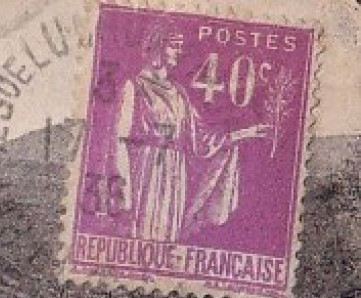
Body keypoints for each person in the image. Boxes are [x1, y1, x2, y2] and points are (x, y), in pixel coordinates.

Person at [112, 23, 270, 242]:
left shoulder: (178, 94)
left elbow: (201, 140)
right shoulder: (134, 87)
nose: (179, 51)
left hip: (174, 175)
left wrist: (244, 133)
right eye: (174, 46)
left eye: (180, 46)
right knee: (141, 236)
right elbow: (119, 142)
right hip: (146, 174)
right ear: (157, 46)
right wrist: (123, 195)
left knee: (166, 240)